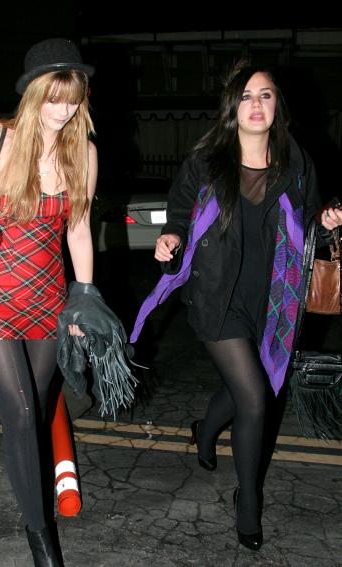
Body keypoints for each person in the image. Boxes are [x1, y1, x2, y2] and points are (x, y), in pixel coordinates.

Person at [130, 60, 342, 551]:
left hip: (274, 298)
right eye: (246, 96)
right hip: (216, 295)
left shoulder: (296, 164)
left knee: (249, 385)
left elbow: (309, 228)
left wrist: (327, 221)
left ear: (277, 106)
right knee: (253, 397)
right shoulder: (207, 162)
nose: (255, 104)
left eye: (265, 95)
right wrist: (170, 237)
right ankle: (249, 501)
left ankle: (205, 430)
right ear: (232, 107)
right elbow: (179, 212)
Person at [0, 37, 97, 566]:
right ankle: (41, 537)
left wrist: (83, 298)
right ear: (32, 93)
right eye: (53, 97)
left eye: (71, 98)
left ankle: (38, 489)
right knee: (22, 411)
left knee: (38, 406)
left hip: (47, 297)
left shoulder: (84, 153)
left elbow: (78, 231)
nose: (62, 109)